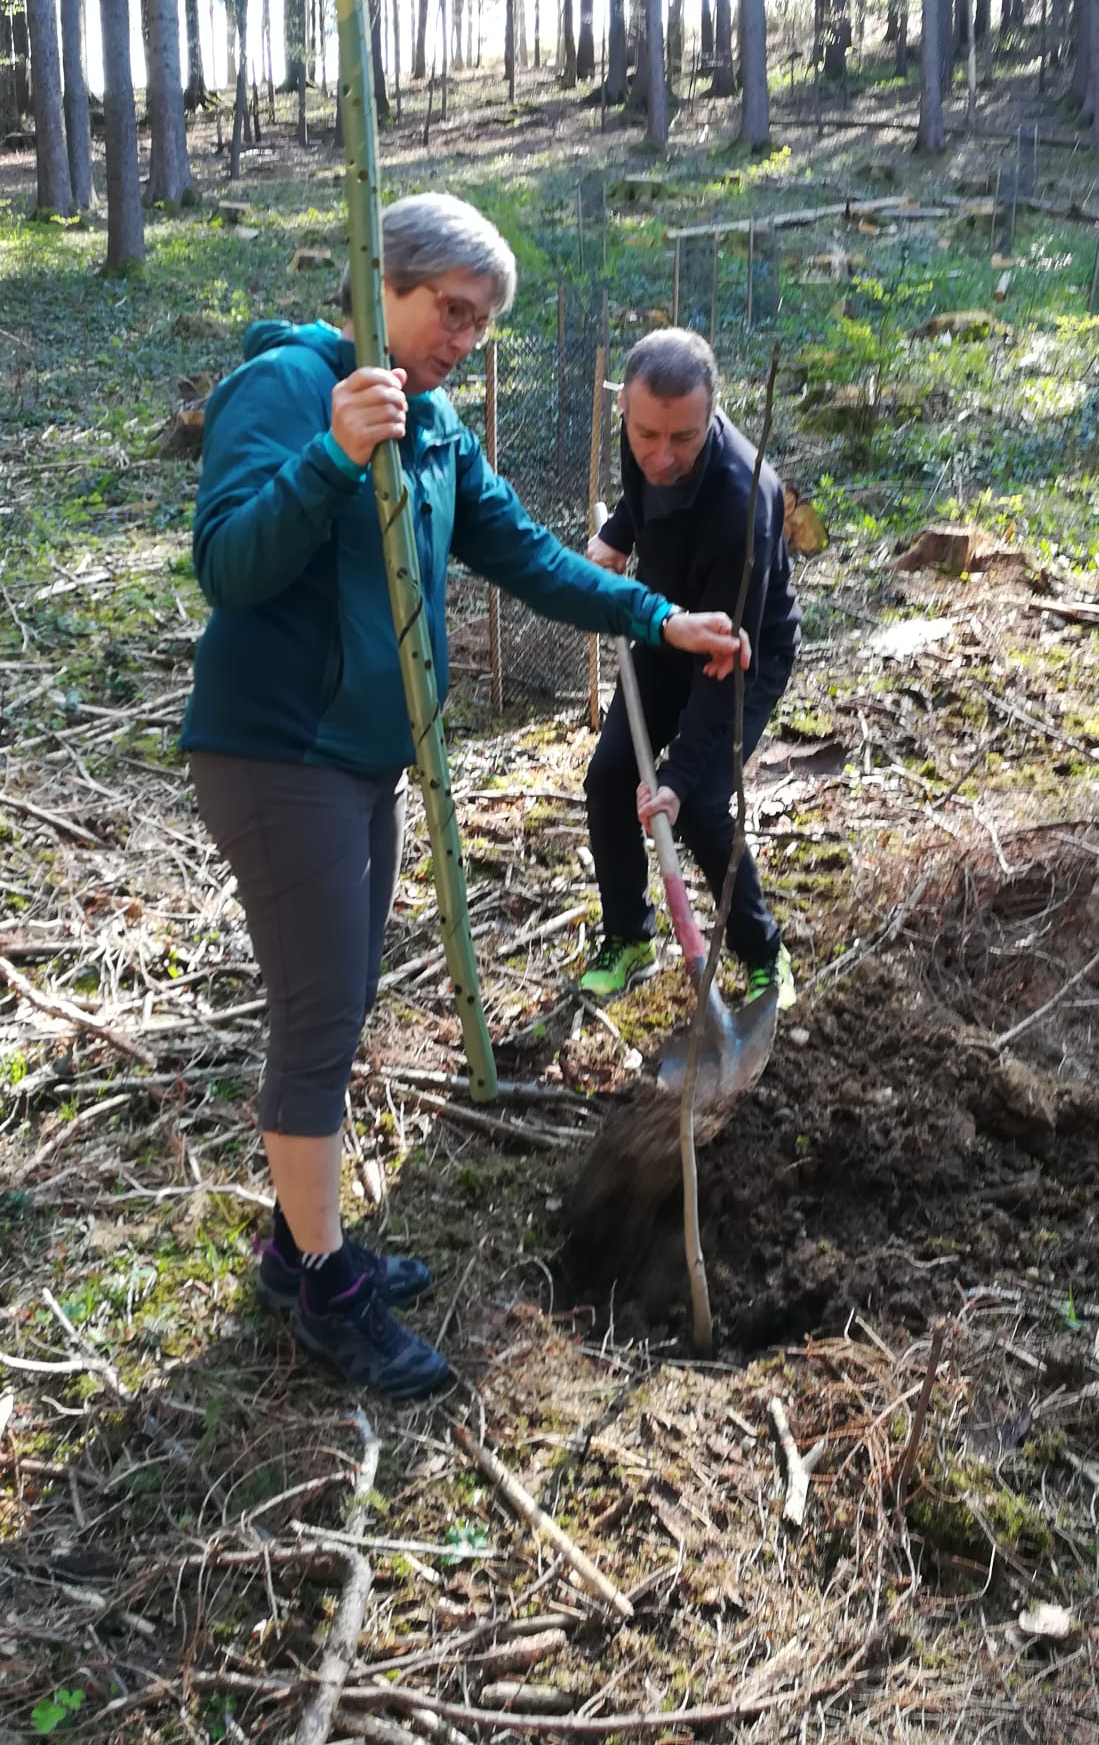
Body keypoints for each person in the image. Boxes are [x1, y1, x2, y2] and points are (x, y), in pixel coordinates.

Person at [181, 196, 748, 1397]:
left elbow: (532, 558)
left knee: (341, 996)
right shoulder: (289, 389)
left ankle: (299, 1249)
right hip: (278, 752)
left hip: (358, 764)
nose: (463, 342)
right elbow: (230, 564)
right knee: (321, 1017)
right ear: (382, 282)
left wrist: (657, 616)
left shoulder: (434, 428)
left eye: (481, 326)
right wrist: (331, 455)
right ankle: (326, 1292)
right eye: (452, 311)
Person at [581, 327, 801, 1009]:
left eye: (683, 438)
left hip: (740, 650)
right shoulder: (644, 433)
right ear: (627, 411)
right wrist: (618, 537)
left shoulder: (744, 505)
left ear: (712, 416)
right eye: (647, 435)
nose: (662, 455)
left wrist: (676, 777)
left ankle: (765, 954)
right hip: (666, 624)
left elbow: (728, 666)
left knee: (702, 803)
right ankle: (629, 938)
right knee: (610, 780)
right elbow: (643, 496)